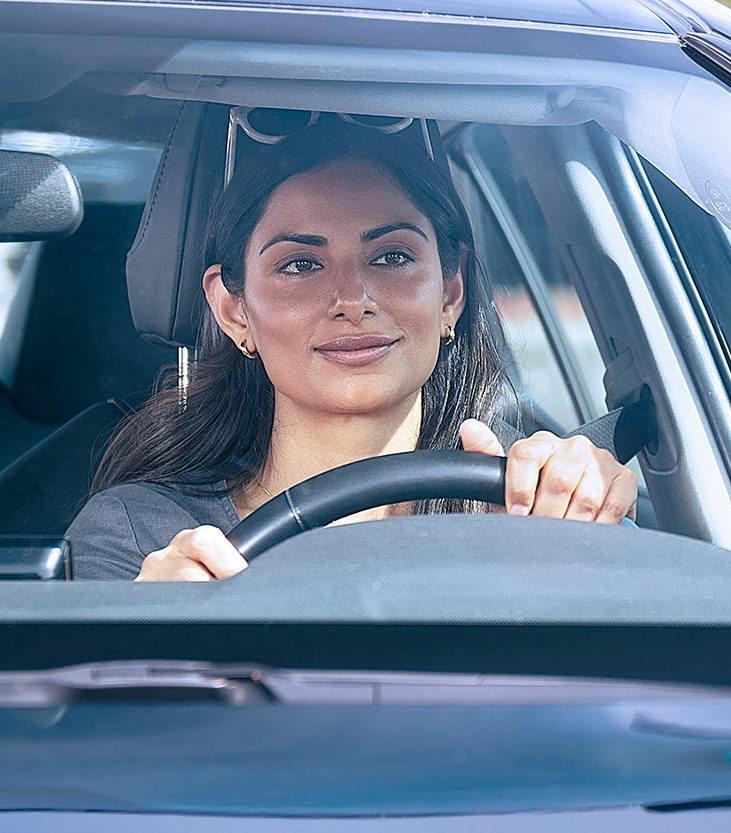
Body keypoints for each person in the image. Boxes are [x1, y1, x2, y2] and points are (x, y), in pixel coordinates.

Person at [66, 114, 637, 581]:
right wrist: (144, 636)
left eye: (391, 256)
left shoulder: (539, 502)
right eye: (300, 264)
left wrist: (581, 529)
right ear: (233, 309)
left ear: (451, 291)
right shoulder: (139, 537)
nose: (352, 299)